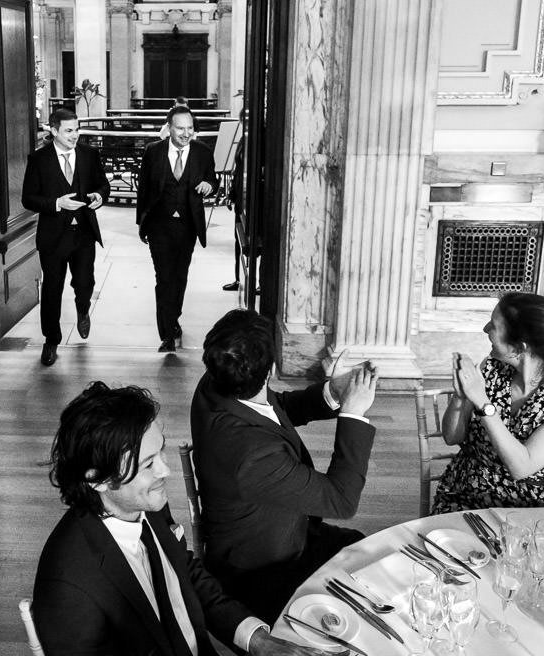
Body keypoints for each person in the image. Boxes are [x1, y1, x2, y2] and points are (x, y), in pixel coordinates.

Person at [33, 382, 329, 656]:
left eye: (160, 451)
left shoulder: (146, 503)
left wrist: (258, 641)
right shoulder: (67, 588)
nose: (165, 471)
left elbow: (186, 575)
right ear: (97, 480)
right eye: (148, 464)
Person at [191, 309, 377, 623]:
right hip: (263, 575)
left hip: (282, 531)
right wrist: (353, 415)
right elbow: (341, 500)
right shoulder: (251, 457)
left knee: (366, 552)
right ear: (272, 369)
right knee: (363, 592)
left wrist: (334, 392)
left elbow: (276, 408)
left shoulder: (218, 380)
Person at [431, 292, 544, 514]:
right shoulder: (492, 367)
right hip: (461, 493)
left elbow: (522, 467)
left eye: (493, 325)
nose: (485, 329)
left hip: (522, 510)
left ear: (519, 348)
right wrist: (461, 396)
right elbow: (452, 437)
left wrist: (482, 402)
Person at [21, 107, 111, 366]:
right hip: (53, 236)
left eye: (77, 129)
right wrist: (57, 203)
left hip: (83, 233)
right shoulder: (39, 159)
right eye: (69, 131)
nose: (75, 135)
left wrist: (99, 196)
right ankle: (51, 340)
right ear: (54, 131)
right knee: (52, 289)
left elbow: (102, 184)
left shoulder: (89, 155)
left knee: (85, 283)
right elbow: (28, 198)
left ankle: (83, 309)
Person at [136, 105, 219, 352]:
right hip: (159, 225)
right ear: (169, 128)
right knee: (163, 277)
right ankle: (167, 333)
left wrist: (208, 185)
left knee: (180, 276)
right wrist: (141, 224)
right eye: (180, 128)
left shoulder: (203, 152)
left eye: (190, 128)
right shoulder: (154, 152)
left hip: (187, 226)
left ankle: (173, 316)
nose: (186, 133)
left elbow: (213, 179)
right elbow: (143, 190)